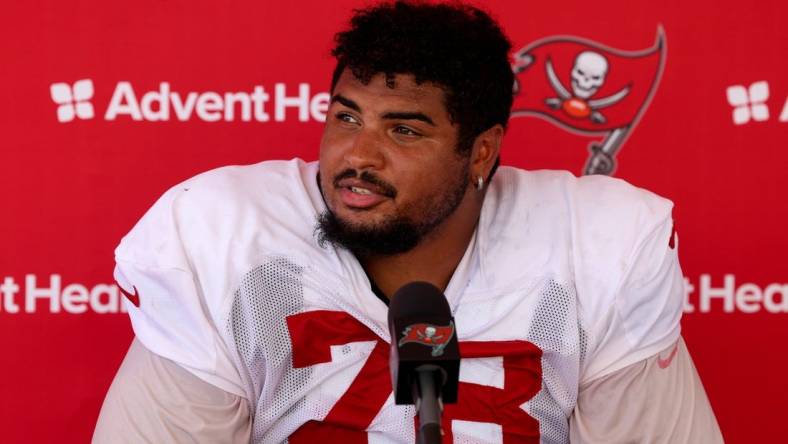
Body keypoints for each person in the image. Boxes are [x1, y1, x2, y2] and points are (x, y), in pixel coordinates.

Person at [94, 1, 723, 443]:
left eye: (404, 129)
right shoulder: (226, 237)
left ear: (481, 151)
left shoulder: (596, 249)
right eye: (346, 118)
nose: (357, 156)